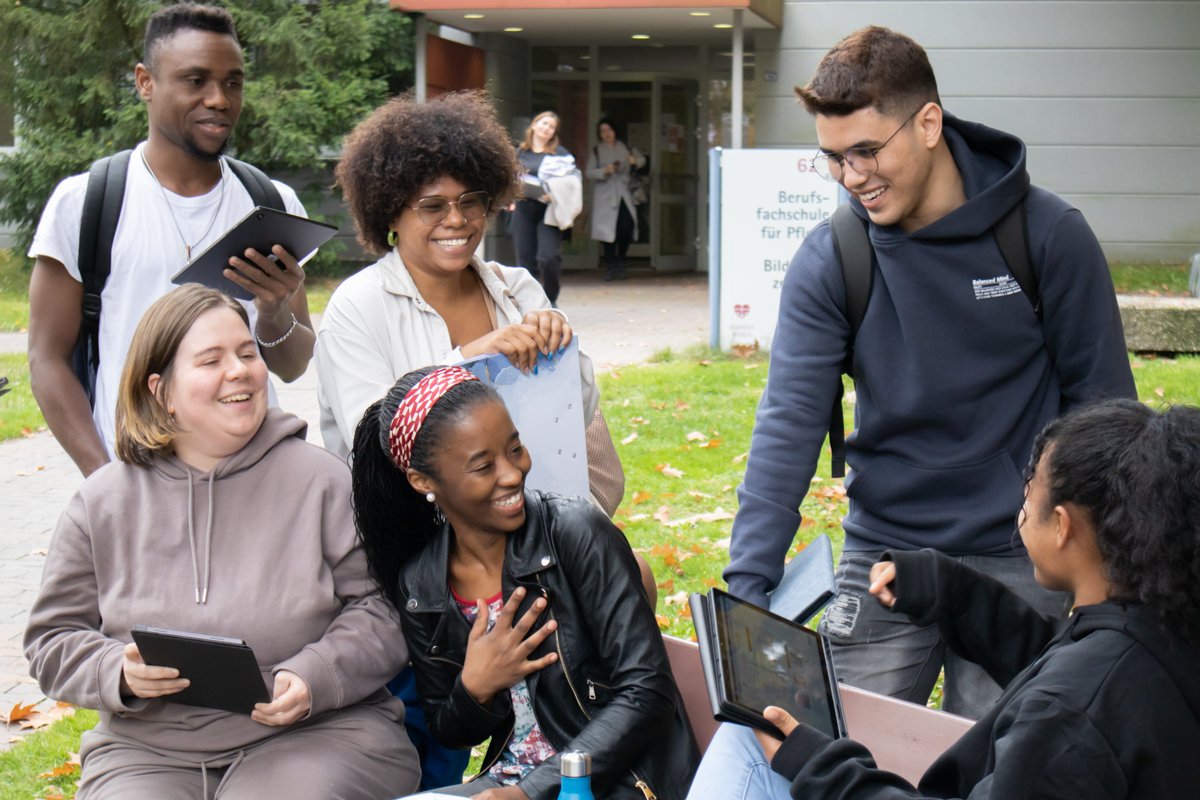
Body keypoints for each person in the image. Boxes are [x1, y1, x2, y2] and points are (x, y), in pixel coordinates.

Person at [723, 25, 1136, 719]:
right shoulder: (834, 259)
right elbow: (789, 422)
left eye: (866, 151)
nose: (852, 178)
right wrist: (746, 588)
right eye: (833, 158)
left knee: (1007, 771)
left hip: (1023, 558)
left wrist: (1117, 576)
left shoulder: (1046, 236)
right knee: (841, 755)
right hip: (885, 552)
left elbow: (1108, 419)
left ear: (928, 124)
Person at [689, 399, 1200, 799]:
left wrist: (820, 768)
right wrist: (947, 589)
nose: (1022, 505)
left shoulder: (1069, 713)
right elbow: (1055, 659)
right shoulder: (1159, 627)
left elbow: (1069, 693)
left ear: (1063, 525)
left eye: (1030, 492)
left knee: (745, 731)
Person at [23, 284, 418, 799]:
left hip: (318, 734)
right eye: (211, 360)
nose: (239, 371)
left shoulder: (325, 481)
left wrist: (315, 675)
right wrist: (114, 670)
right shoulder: (102, 501)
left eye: (247, 353)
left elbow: (386, 608)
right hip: (148, 751)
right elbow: (52, 639)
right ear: (160, 390)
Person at [350, 366, 699, 799]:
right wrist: (475, 687)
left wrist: (532, 792)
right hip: (508, 781)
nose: (513, 473)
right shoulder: (422, 586)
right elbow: (449, 730)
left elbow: (647, 693)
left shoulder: (575, 531)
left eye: (515, 449)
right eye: (483, 466)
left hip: (620, 778)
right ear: (423, 481)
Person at [27, 3, 314, 479]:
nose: (219, 98)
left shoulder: (270, 204)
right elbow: (46, 359)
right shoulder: (86, 203)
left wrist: (273, 310)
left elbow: (293, 365)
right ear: (145, 82)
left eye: (233, 82)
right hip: (133, 483)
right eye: (195, 80)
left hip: (255, 482)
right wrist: (106, 482)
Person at [511, 111, 574, 305]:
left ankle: (550, 299)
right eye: (544, 123)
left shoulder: (560, 154)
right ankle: (530, 303)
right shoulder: (519, 152)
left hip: (549, 210)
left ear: (554, 133)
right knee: (525, 260)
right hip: (523, 209)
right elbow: (508, 179)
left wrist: (555, 191)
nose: (547, 128)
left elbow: (572, 181)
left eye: (551, 127)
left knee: (548, 258)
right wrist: (511, 198)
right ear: (534, 124)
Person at [586, 119, 645, 282]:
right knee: (607, 232)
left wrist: (635, 162)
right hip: (605, 195)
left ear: (615, 130)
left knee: (625, 228)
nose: (606, 134)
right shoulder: (597, 150)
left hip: (624, 193)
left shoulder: (625, 147)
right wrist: (605, 170)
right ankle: (610, 265)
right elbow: (589, 172)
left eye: (609, 130)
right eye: (602, 131)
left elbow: (641, 161)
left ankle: (621, 260)